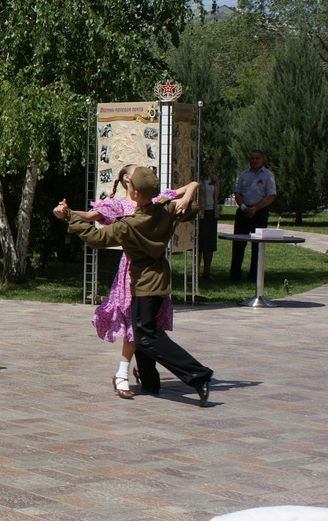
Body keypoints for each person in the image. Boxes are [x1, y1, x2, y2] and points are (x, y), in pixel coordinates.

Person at [55, 167, 214, 405]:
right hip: (160, 277)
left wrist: (68, 217)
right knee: (144, 329)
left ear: (137, 193)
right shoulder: (165, 209)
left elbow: (97, 239)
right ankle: (150, 381)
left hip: (143, 282)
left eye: (130, 185)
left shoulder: (130, 224)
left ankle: (197, 374)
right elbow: (189, 208)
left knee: (146, 335)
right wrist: (189, 193)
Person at [230, 150, 276, 281]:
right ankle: (235, 275)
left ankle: (254, 276)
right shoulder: (243, 174)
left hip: (259, 212)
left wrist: (255, 208)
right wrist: (244, 208)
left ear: (263, 160)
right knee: (238, 243)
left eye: (257, 158)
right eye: (252, 158)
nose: (254, 161)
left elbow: (271, 195)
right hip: (243, 211)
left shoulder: (268, 175)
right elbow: (237, 193)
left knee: (257, 245)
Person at [198, 157, 220, 279]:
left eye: (210, 164)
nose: (208, 167)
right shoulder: (197, 178)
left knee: (210, 244)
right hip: (200, 213)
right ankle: (196, 271)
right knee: (199, 244)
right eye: (206, 164)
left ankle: (207, 272)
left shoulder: (214, 178)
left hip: (211, 213)